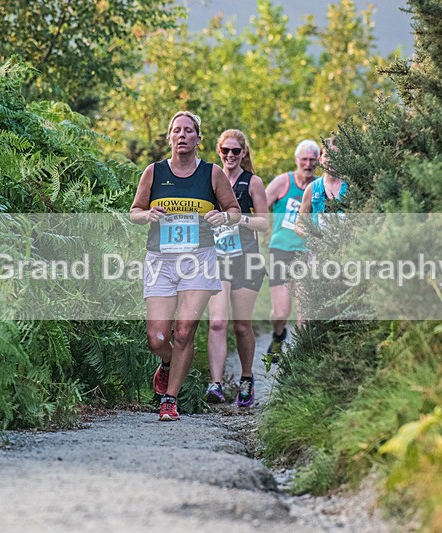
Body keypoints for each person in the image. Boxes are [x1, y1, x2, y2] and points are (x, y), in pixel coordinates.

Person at [130, 111, 241, 421]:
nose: (182, 135)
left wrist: (222, 216)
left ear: (198, 138)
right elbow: (135, 211)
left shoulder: (212, 173)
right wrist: (148, 215)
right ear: (169, 137)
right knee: (157, 338)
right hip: (161, 260)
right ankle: (167, 363)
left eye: (188, 130)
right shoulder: (153, 172)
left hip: (199, 259)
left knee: (183, 332)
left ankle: (170, 399)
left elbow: (234, 211)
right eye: (177, 130)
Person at [206, 130, 269, 407]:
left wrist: (238, 219)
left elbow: (264, 223)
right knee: (217, 322)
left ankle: (246, 379)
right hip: (218, 257)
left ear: (243, 153)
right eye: (225, 150)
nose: (230, 155)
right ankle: (216, 384)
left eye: (235, 151)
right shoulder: (211, 179)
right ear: (219, 151)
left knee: (242, 326)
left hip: (246, 258)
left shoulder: (252, 182)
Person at [264, 139, 320, 362]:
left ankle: (301, 359)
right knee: (281, 312)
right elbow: (260, 206)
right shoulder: (283, 182)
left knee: (304, 312)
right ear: (297, 160)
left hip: (307, 252)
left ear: (318, 162)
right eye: (304, 159)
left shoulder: (319, 187)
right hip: (280, 250)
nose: (308, 164)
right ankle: (278, 335)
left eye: (312, 160)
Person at [295, 137, 347, 237]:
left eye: (336, 154)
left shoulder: (351, 186)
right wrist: (306, 231)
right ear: (320, 160)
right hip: (320, 245)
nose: (331, 159)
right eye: (327, 155)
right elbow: (299, 223)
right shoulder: (312, 188)